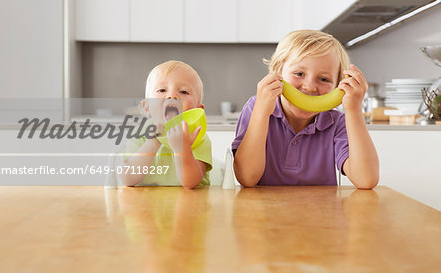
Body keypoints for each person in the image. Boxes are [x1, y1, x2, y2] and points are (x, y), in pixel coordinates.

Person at [232, 30, 379, 189]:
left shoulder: (337, 123)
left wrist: (354, 110)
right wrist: (261, 113)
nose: (309, 87)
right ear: (278, 72)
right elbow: (247, 178)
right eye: (299, 73)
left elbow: (366, 180)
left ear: (338, 86)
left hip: (321, 212)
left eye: (324, 79)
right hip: (264, 211)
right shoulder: (256, 108)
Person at [121, 60, 212, 189]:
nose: (172, 96)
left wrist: (182, 149)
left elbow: (190, 182)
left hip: (189, 205)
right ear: (147, 107)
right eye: (162, 90)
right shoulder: (140, 133)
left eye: (184, 92)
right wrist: (151, 144)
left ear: (198, 110)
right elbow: (128, 178)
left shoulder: (198, 136)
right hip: (146, 206)